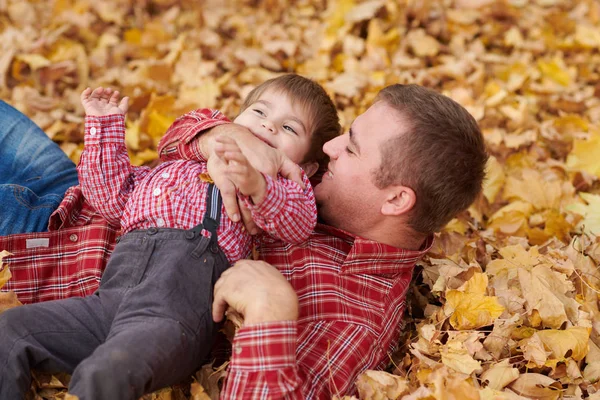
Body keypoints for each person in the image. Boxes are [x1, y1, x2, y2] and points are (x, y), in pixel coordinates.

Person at [0, 83, 488, 399]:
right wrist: (219, 137)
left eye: (351, 147)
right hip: (71, 182)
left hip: (31, 243)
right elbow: (182, 138)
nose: (331, 148)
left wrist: (270, 312)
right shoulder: (331, 188)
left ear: (396, 199)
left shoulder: (352, 314)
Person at [0, 74, 341, 399]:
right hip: (108, 302)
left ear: (307, 167)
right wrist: (104, 129)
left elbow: (297, 223)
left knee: (107, 372)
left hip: (170, 315)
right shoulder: (179, 164)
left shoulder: (287, 188)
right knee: (10, 332)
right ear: (235, 118)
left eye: (288, 128)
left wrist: (260, 186)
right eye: (260, 112)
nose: (268, 125)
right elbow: (108, 197)